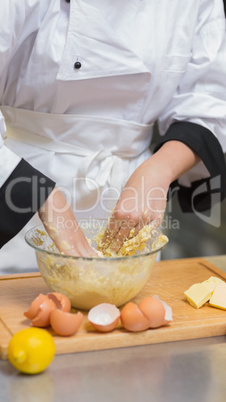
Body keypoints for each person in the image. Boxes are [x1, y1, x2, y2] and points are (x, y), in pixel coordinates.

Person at [0, 0, 226, 272]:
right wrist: (37, 194)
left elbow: (208, 99)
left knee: (130, 309)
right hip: (20, 192)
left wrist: (158, 169)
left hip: (133, 196)